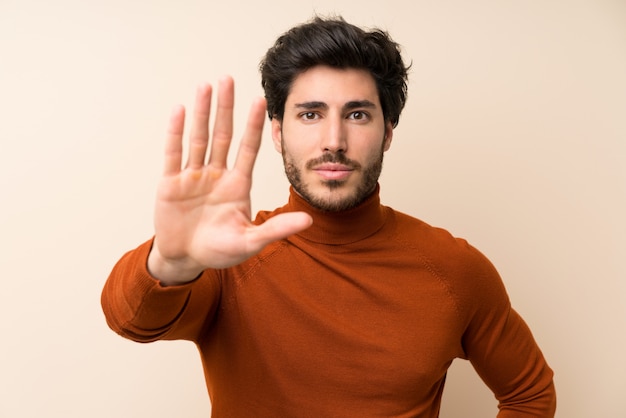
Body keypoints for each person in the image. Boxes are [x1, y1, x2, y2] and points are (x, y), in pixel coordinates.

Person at [101, 15, 556, 417]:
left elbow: (529, 394)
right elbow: (130, 321)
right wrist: (173, 262)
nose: (334, 140)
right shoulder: (230, 256)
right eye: (310, 114)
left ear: (387, 133)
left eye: (357, 114)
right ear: (278, 133)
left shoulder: (454, 268)